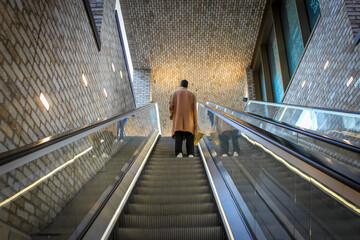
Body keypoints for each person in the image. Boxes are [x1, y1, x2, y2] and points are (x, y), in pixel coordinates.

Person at [169, 80, 197, 158]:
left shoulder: (174, 94)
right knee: (190, 135)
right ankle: (190, 153)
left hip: (178, 118)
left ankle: (179, 153)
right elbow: (194, 110)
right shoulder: (192, 95)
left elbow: (171, 106)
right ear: (187, 86)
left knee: (178, 135)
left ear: (180, 85)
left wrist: (172, 115)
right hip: (189, 119)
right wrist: (195, 121)